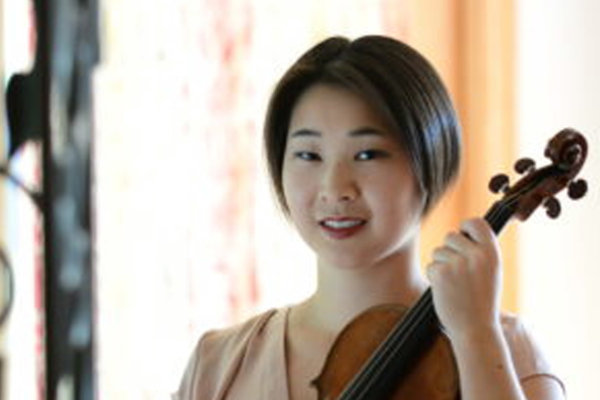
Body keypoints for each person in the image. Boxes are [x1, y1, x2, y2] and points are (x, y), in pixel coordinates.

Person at [173, 35, 565, 400]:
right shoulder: (220, 364)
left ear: (429, 162)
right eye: (309, 155)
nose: (335, 188)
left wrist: (475, 335)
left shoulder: (506, 350)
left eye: (368, 154)